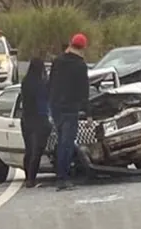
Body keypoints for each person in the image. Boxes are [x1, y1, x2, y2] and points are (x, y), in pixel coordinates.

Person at [48, 33, 90, 191]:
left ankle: (66, 173)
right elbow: (84, 91)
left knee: (63, 142)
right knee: (66, 143)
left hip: (56, 108)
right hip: (70, 109)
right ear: (83, 48)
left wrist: (50, 105)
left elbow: (50, 83)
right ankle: (62, 178)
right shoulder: (80, 65)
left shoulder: (57, 62)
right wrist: (89, 112)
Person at [19, 57, 50, 188]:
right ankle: (32, 178)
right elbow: (43, 102)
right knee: (37, 150)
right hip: (39, 119)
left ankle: (28, 177)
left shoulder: (25, 82)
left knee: (29, 150)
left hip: (26, 119)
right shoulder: (41, 84)